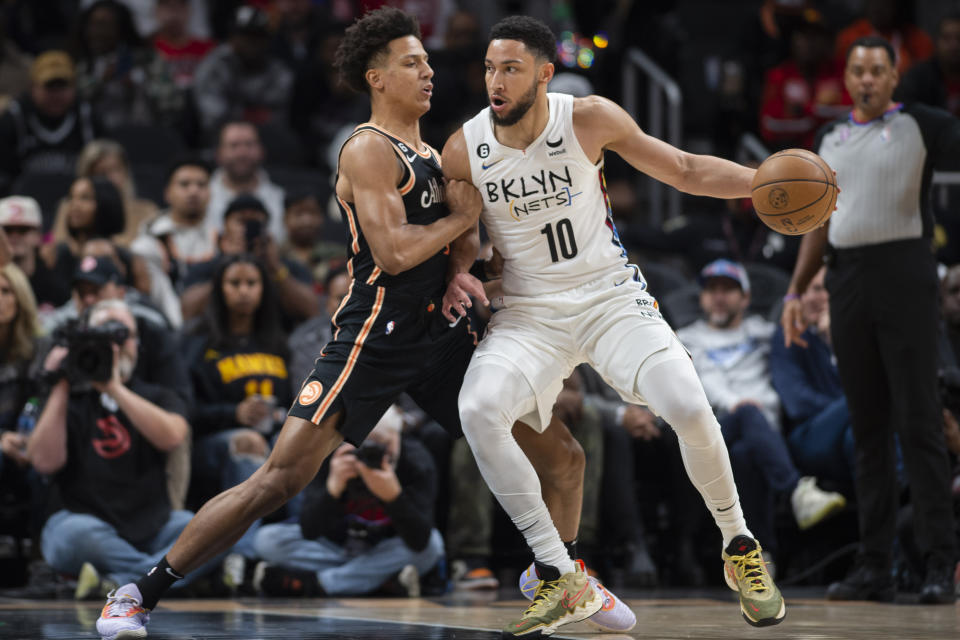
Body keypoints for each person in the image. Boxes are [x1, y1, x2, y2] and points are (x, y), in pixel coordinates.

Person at [94, 9, 625, 640]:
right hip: (376, 334)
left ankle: (557, 574)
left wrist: (469, 265)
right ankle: (136, 592)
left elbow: (459, 247)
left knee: (563, 454)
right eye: (410, 62)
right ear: (376, 77)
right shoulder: (367, 147)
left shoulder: (434, 150)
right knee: (280, 480)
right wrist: (460, 221)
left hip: (442, 336)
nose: (428, 69)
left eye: (427, 60)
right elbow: (397, 252)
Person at [440, 15, 786, 635]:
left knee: (687, 407)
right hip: (529, 313)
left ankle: (739, 548)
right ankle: (557, 573)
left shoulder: (589, 116)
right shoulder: (463, 148)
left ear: (544, 73)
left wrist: (762, 182)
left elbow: (682, 167)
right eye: (491, 68)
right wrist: (462, 271)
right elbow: (464, 237)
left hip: (610, 299)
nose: (496, 80)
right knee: (478, 409)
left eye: (511, 68)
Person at [781, 36, 960, 605]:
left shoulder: (923, 125)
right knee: (868, 428)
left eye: (877, 71)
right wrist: (794, 291)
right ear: (849, 76)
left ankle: (938, 563)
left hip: (906, 273)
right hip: (847, 277)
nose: (865, 80)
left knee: (920, 423)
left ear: (894, 76)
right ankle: (874, 564)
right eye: (857, 70)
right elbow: (817, 221)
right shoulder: (827, 139)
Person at [26, 300, 220, 600]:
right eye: (102, 334)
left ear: (137, 344)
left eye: (121, 334)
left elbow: (173, 437)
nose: (113, 345)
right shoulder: (67, 399)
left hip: (154, 525)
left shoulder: (157, 394)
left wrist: (113, 387)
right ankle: (153, 579)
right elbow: (43, 462)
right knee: (70, 536)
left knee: (211, 529)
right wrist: (60, 383)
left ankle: (114, 581)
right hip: (84, 521)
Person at [677, 259, 846, 557]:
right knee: (746, 414)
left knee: (746, 455)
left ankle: (757, 556)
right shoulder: (686, 338)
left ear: (746, 298)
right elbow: (706, 379)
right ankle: (796, 492)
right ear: (701, 298)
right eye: (711, 289)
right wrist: (734, 403)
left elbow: (801, 336)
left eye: (728, 289)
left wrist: (823, 325)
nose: (718, 296)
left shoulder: (766, 332)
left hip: (763, 436)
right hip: (716, 430)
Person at [252, 405, 444, 597]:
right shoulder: (330, 456)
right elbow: (309, 530)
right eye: (363, 444)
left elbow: (420, 541)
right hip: (337, 547)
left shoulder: (417, 460)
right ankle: (377, 580)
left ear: (398, 436)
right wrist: (333, 488)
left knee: (432, 546)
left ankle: (316, 583)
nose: (371, 453)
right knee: (267, 540)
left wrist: (393, 497)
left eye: (381, 444)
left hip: (386, 547)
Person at [181, 254, 292, 558]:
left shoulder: (277, 342)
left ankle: (295, 542)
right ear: (220, 289)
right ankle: (241, 559)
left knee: (300, 448)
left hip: (273, 438)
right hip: (211, 444)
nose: (244, 291)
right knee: (249, 443)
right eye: (235, 283)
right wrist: (234, 414)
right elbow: (186, 411)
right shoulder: (197, 343)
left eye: (251, 283)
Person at [770, 266, 855, 489]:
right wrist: (844, 410)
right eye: (808, 291)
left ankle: (897, 504)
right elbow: (797, 403)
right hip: (809, 437)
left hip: (852, 431)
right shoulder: (788, 335)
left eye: (823, 289)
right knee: (867, 398)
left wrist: (834, 340)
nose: (815, 298)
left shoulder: (852, 336)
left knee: (857, 440)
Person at [0, 50, 103, 194]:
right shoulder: (14, 119)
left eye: (62, 86)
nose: (56, 95)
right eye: (49, 86)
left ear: (74, 87)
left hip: (78, 204)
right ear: (33, 88)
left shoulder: (88, 117)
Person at [205, 121, 286, 241]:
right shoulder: (202, 198)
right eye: (234, 145)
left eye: (249, 145)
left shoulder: (281, 200)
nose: (242, 153)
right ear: (218, 153)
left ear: (262, 151)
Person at [895, 11, 960, 119]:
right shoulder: (918, 77)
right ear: (936, 41)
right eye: (947, 38)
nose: (954, 45)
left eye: (959, 38)